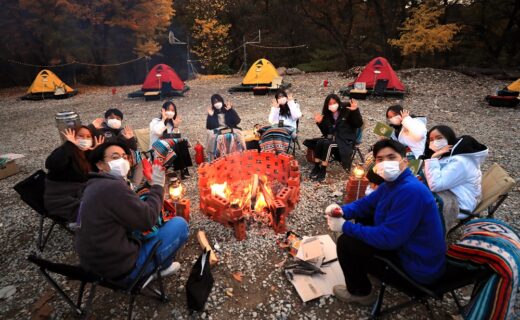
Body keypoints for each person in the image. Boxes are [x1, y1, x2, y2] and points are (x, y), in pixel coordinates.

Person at [326, 139, 446, 305]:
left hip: (417, 268)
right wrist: (342, 211)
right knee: (365, 216)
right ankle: (372, 272)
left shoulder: (410, 191)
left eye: (391, 157)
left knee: (346, 243)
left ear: (404, 161)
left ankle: (360, 293)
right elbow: (366, 204)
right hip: (408, 248)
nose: (385, 163)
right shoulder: (393, 183)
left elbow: (389, 239)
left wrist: (345, 226)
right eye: (380, 159)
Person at [75, 142, 189, 284]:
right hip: (122, 271)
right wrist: (158, 186)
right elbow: (148, 220)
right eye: (115, 157)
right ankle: (155, 270)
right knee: (179, 224)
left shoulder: (93, 186)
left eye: (124, 156)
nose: (122, 161)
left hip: (93, 268)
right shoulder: (112, 187)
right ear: (100, 165)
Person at [423, 125, 488, 216]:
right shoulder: (448, 154)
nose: (435, 142)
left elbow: (435, 185)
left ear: (449, 138)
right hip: (451, 193)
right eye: (431, 139)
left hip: (459, 205)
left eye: (439, 138)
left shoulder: (460, 162)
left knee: (415, 200)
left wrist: (433, 159)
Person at [44, 126, 104, 222]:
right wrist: (69, 145)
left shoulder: (85, 153)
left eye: (88, 137)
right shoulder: (65, 152)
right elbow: (51, 164)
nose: (85, 139)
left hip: (81, 193)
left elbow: (93, 173)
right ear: (73, 137)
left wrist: (95, 152)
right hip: (63, 199)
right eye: (80, 136)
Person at [303, 94, 363, 182]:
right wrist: (319, 123)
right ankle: (316, 166)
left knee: (328, 144)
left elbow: (358, 124)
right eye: (330, 104)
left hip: (345, 139)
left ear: (338, 102)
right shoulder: (327, 114)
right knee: (320, 142)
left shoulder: (347, 110)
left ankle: (323, 169)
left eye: (334, 103)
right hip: (332, 138)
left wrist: (355, 111)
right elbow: (326, 133)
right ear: (327, 105)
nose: (332, 105)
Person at [149, 101, 193, 179]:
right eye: (168, 110)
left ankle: (184, 169)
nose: (171, 112)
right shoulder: (155, 121)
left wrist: (176, 126)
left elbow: (177, 138)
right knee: (176, 144)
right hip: (157, 150)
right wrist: (163, 120)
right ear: (163, 110)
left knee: (181, 142)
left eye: (173, 110)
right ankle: (181, 168)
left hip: (170, 148)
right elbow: (158, 132)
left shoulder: (171, 124)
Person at [205, 94, 246, 160]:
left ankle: (241, 153)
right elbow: (209, 126)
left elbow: (237, 121)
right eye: (215, 102)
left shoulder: (227, 109)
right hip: (218, 129)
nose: (217, 103)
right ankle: (213, 156)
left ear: (222, 101)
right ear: (213, 103)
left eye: (218, 101)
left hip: (229, 128)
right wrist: (211, 116)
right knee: (210, 135)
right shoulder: (212, 112)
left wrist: (231, 110)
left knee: (239, 134)